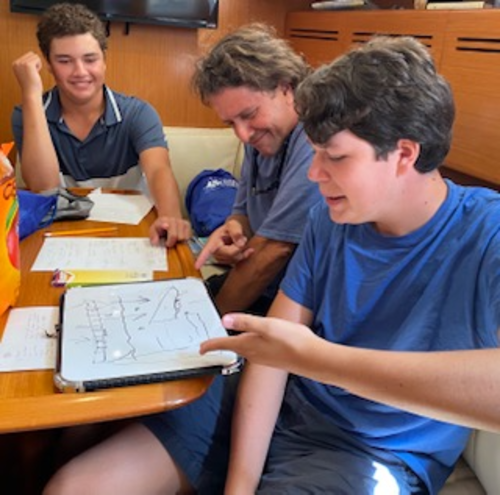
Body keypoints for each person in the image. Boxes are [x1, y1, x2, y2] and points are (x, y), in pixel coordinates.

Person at [43, 36, 500, 495]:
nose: (314, 173)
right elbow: (272, 357)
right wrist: (239, 485)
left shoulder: (487, 232)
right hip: (276, 407)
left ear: (404, 154)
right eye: (314, 152)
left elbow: (294, 352)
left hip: (366, 452)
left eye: (335, 156)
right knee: (72, 487)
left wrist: (317, 359)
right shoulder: (329, 219)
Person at [11, 3, 190, 246]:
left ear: (104, 61)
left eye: (90, 59)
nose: (80, 71)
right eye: (64, 61)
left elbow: (159, 170)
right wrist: (31, 94)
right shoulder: (28, 114)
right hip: (59, 239)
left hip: (133, 236)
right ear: (49, 65)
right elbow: (45, 188)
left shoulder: (138, 113)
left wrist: (171, 218)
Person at [191, 24, 322, 315]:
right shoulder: (261, 138)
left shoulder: (314, 138)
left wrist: (211, 325)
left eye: (249, 115)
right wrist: (235, 232)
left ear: (286, 88)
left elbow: (274, 250)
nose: (243, 134)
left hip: (300, 303)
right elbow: (242, 214)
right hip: (265, 287)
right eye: (231, 123)